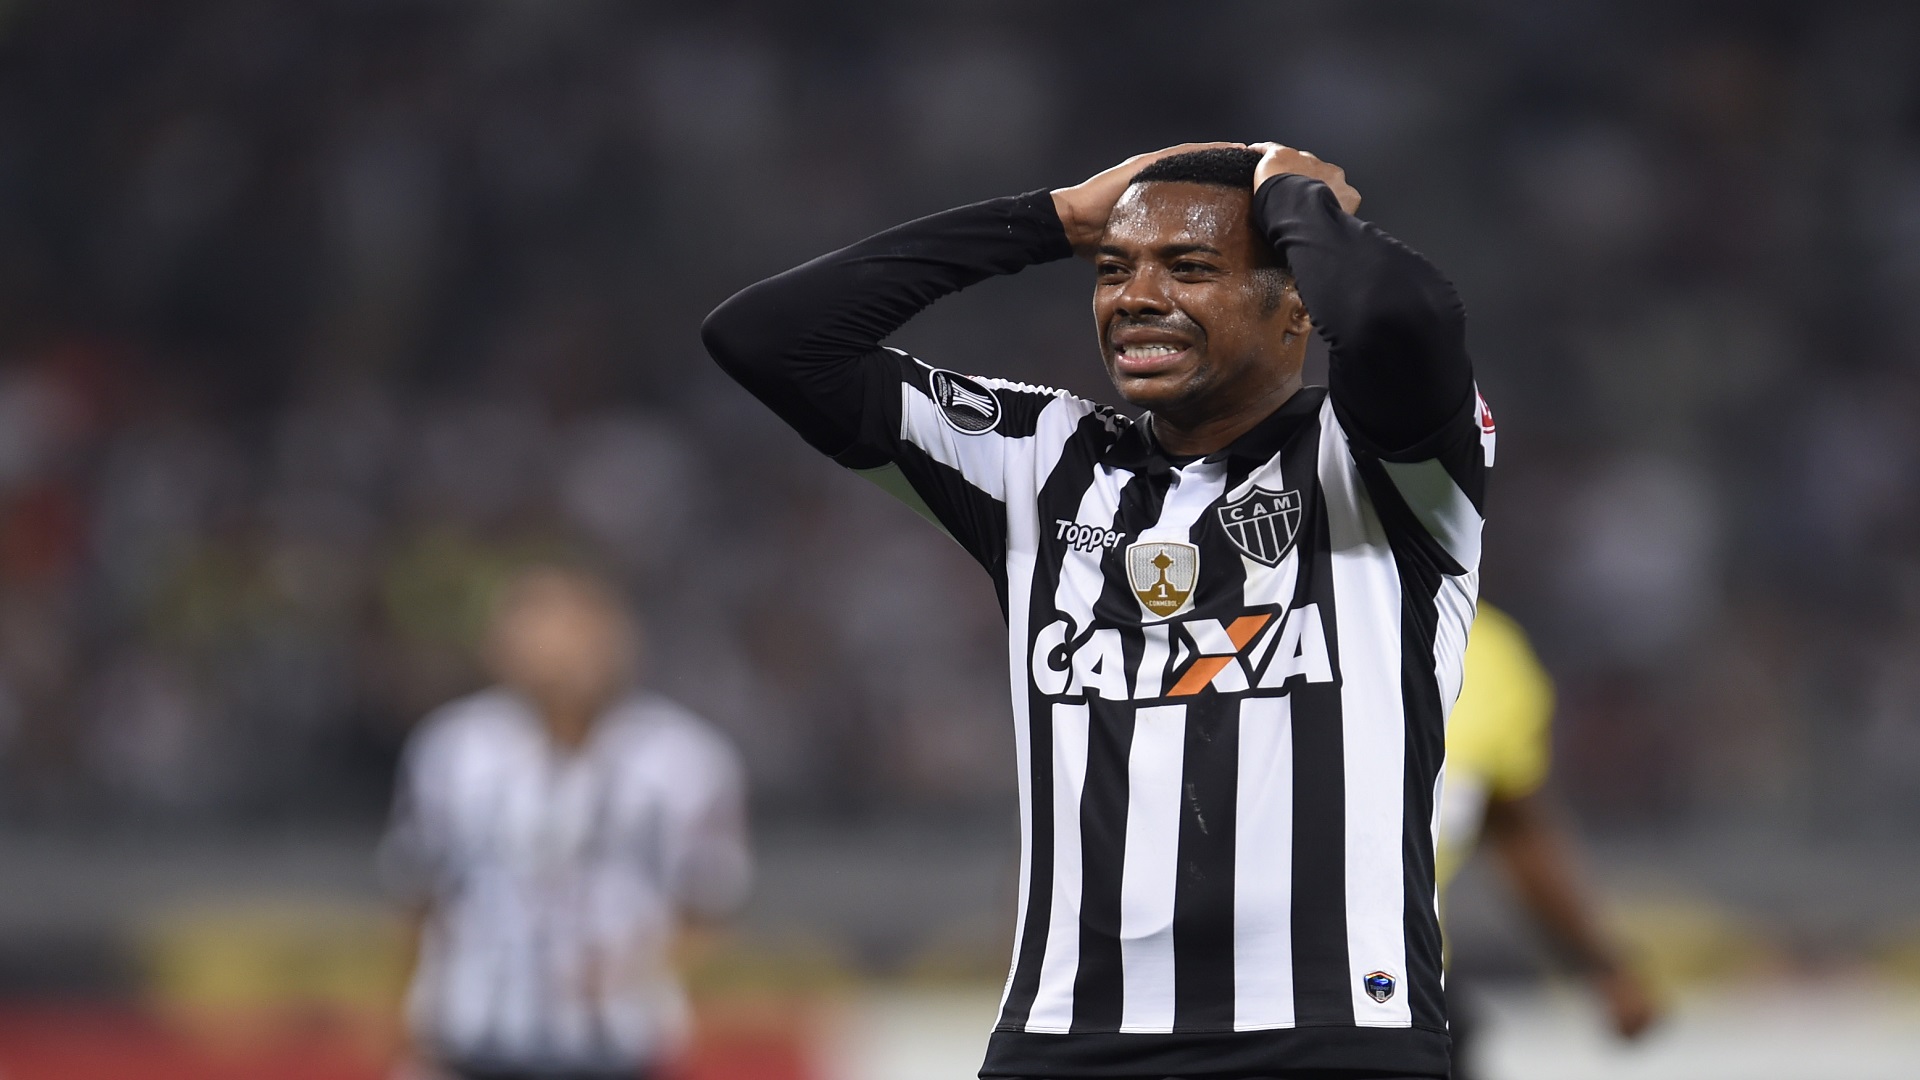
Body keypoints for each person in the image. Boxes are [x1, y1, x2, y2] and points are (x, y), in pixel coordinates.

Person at [704, 141, 1492, 1080]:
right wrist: (1049, 221)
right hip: (1068, 1036)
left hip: (1332, 1034)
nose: (1136, 297)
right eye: (1115, 270)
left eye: (1191, 267)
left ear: (1296, 310)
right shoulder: (1037, 459)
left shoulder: (1386, 464)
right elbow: (767, 337)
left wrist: (1294, 196)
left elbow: (1399, 315)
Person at [381, 565, 751, 1080]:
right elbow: (416, 898)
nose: (554, 646)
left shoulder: (684, 759)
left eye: (572, 626)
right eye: (532, 624)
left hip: (618, 1051)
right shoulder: (453, 749)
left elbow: (710, 907)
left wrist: (634, 968)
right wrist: (407, 1031)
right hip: (468, 1045)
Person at [1437, 602, 1658, 1080]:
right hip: (1250, 990)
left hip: (1407, 984)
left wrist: (1602, 965)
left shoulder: (1485, 650)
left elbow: (1516, 829)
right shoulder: (1257, 616)